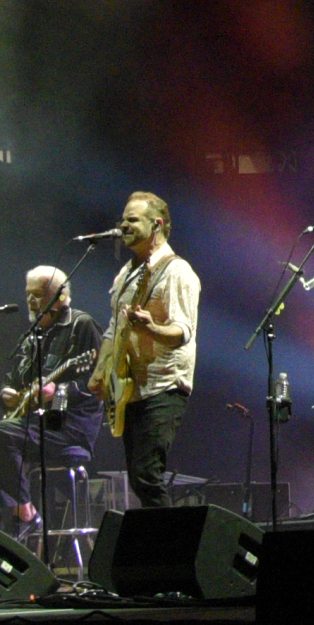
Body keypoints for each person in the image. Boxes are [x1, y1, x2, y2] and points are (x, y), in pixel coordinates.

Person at [0, 264, 103, 541]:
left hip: (68, 428)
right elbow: (11, 378)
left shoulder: (81, 325)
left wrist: (58, 390)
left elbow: (98, 382)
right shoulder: (32, 336)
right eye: (28, 294)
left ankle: (26, 515)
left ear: (60, 297)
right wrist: (6, 393)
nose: (30, 301)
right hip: (33, 425)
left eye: (37, 295)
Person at [97, 191, 199, 508]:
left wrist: (152, 328)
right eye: (122, 219)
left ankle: (173, 552)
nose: (123, 225)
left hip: (164, 384)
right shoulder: (126, 273)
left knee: (147, 476)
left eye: (132, 219)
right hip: (131, 388)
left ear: (156, 225)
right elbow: (114, 329)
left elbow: (183, 331)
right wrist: (101, 371)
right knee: (140, 481)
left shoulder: (176, 271)